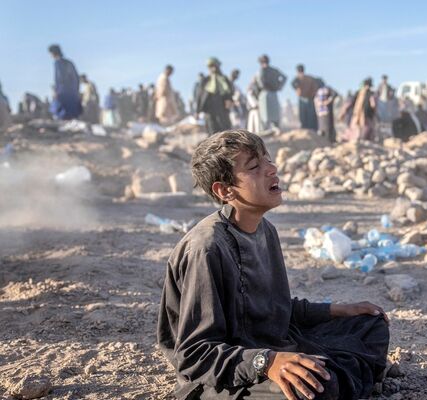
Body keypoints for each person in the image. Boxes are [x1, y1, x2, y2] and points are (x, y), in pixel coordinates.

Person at [157, 129, 390, 400]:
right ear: (224, 190)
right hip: (222, 374)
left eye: (268, 160)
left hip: (274, 343)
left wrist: (339, 310)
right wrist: (267, 362)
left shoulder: (265, 231)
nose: (271, 169)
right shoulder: (206, 248)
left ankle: (340, 380)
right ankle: (346, 381)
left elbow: (275, 309)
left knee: (370, 323)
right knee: (315, 387)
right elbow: (195, 354)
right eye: (255, 166)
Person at [196, 57, 233, 134]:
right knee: (211, 130)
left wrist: (229, 102)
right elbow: (199, 96)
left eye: (214, 66)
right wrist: (197, 111)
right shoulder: (205, 80)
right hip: (209, 109)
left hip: (221, 108)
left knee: (224, 130)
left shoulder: (224, 79)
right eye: (210, 66)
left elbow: (229, 93)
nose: (213, 68)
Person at [48, 44, 82, 120]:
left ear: (53, 53)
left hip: (63, 92)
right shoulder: (69, 62)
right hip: (73, 93)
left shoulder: (58, 63)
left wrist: (56, 91)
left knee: (60, 112)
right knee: (72, 114)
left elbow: (60, 78)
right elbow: (76, 78)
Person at [256, 55, 287, 131]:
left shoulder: (262, 70)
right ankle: (276, 130)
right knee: (275, 114)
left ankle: (266, 132)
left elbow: (260, 83)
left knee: (265, 116)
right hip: (274, 93)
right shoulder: (274, 70)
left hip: (265, 93)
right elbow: (284, 77)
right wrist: (279, 87)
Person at [292, 64, 322, 130]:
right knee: (311, 117)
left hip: (303, 99)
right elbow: (316, 87)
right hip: (310, 99)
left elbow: (295, 86)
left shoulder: (298, 79)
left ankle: (306, 130)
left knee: (304, 118)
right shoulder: (310, 78)